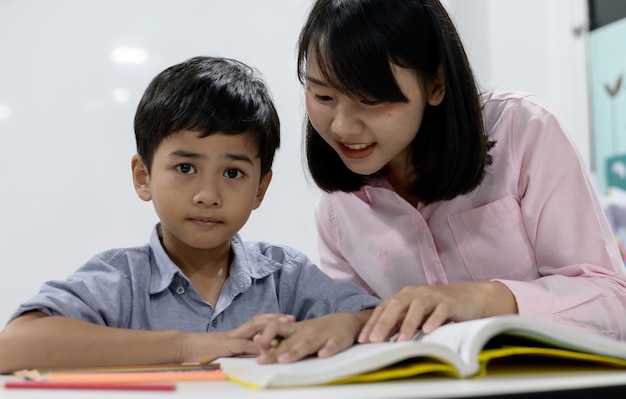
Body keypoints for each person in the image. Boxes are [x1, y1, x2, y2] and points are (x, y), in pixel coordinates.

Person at [0, 56, 381, 373]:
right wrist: (189, 345)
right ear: (143, 177)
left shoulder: (285, 277)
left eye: (233, 173)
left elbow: (378, 323)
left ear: (260, 189)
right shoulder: (120, 280)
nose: (208, 195)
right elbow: (14, 346)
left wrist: (345, 324)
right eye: (185, 168)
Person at [296, 0, 626, 344]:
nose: (342, 126)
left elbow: (613, 303)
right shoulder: (338, 211)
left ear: (436, 83)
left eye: (371, 100)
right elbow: (365, 332)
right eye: (322, 96)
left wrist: (486, 299)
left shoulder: (522, 132)